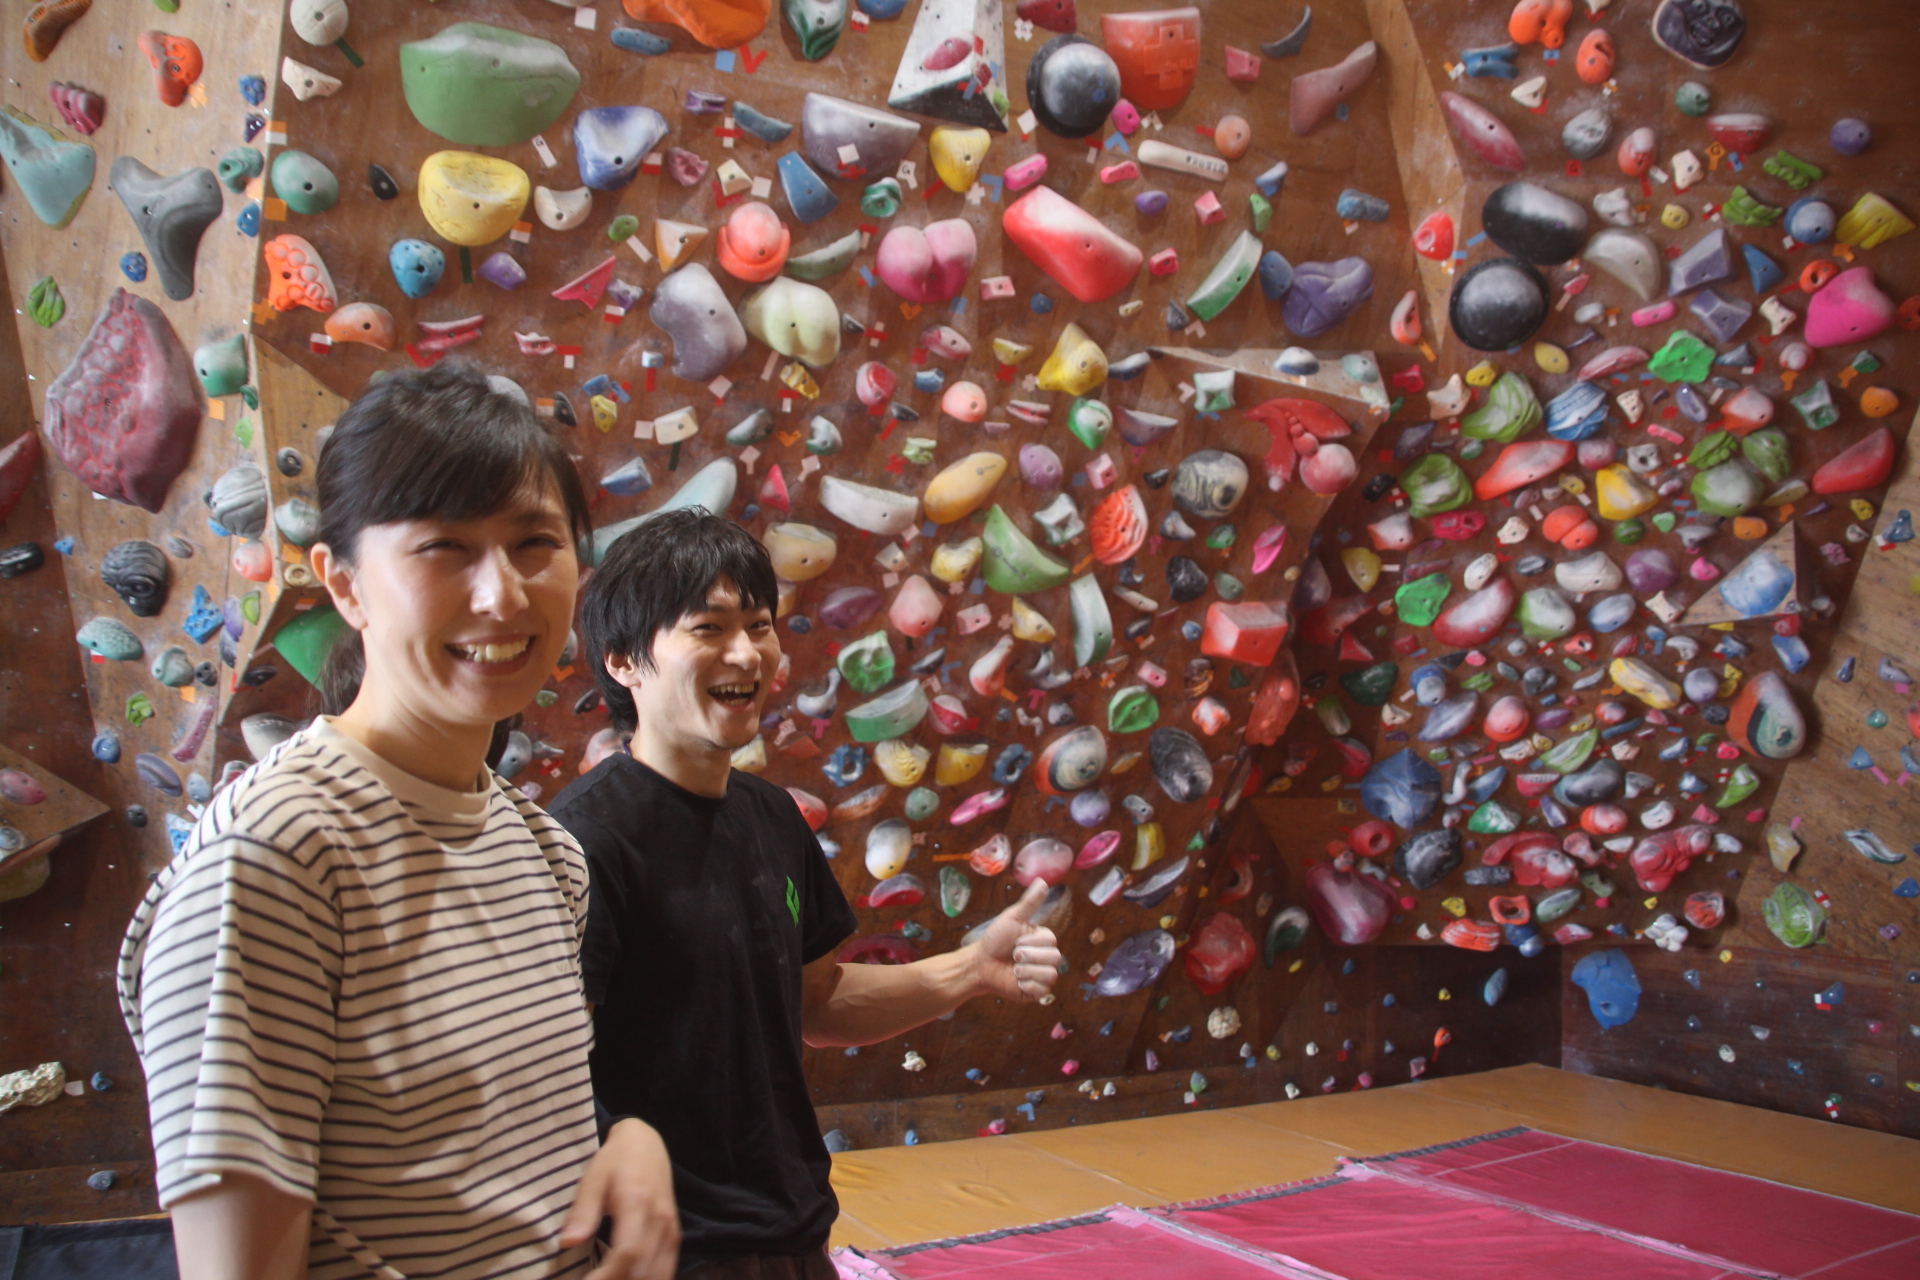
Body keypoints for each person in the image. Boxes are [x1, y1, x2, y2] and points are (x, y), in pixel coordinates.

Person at [118, 363, 679, 1280]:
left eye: (535, 543)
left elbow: (491, 1161)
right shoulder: (274, 863)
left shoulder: (542, 852)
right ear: (342, 584)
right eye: (444, 547)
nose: (503, 595)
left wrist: (626, 1142)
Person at [549, 509, 1065, 1279]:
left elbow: (817, 1002)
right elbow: (544, 1072)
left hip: (792, 1232)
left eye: (759, 626)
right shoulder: (582, 840)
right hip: (662, 1254)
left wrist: (969, 970)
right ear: (624, 661)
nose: (746, 653)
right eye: (708, 628)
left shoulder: (770, 816)